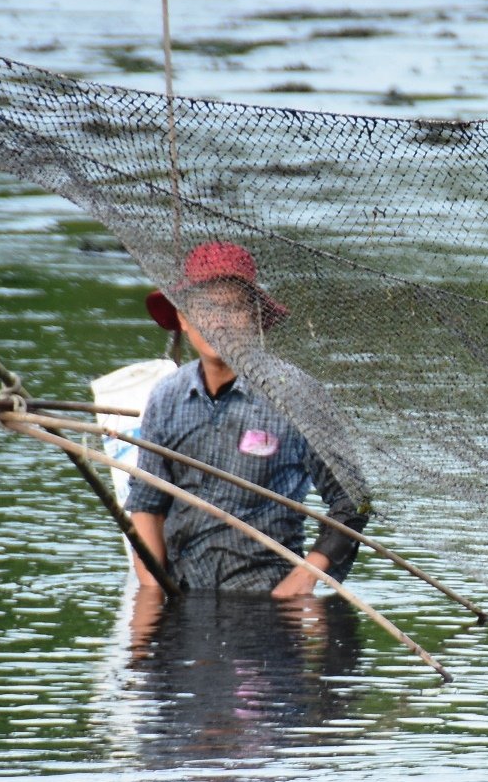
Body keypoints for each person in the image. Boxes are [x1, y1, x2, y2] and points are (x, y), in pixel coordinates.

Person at [126, 240, 373, 596]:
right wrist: (152, 593)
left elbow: (352, 501)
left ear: (255, 316)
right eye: (204, 307)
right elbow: (147, 504)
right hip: (183, 596)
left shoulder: (294, 394)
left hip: (267, 597)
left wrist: (298, 585)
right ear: (182, 316)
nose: (218, 321)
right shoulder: (166, 397)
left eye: (234, 307)